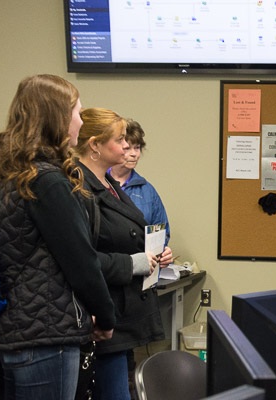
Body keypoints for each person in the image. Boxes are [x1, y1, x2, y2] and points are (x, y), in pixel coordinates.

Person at [0, 74, 115, 399]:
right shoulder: (48, 181)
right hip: (47, 335)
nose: (82, 122)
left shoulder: (11, 174)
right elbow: (80, 260)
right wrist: (105, 316)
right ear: (57, 117)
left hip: (20, 331)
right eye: (78, 113)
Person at [74, 108, 173, 400]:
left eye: (132, 145)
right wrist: (135, 262)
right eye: (121, 141)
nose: (128, 150)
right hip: (101, 312)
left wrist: (156, 252)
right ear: (95, 145)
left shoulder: (113, 187)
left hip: (122, 313)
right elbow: (83, 258)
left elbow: (147, 231)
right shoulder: (79, 189)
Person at [110, 119, 170, 243]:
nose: (134, 154)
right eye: (127, 148)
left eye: (137, 148)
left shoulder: (147, 191)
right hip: (107, 260)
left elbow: (161, 234)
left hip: (141, 260)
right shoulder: (98, 182)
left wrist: (162, 253)